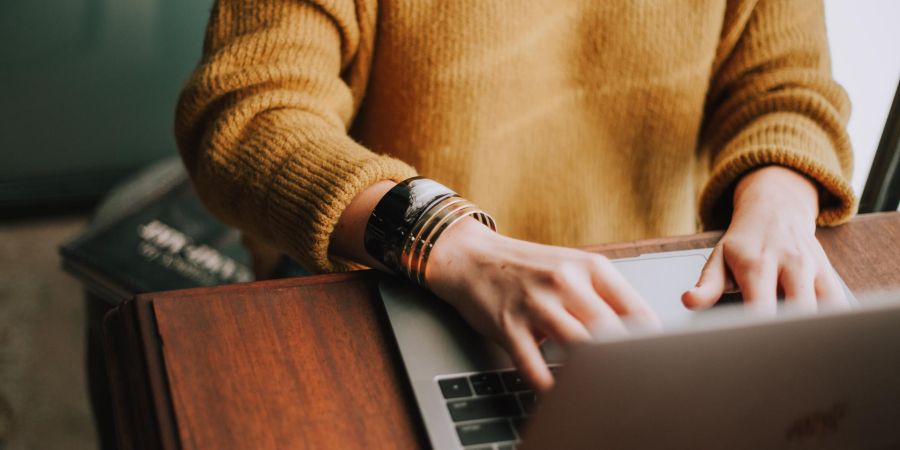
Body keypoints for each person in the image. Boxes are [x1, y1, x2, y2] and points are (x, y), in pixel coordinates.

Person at [175, 0, 855, 391]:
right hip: (389, 287)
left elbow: (785, 87)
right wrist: (449, 240)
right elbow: (247, 114)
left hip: (642, 304)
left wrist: (780, 199)